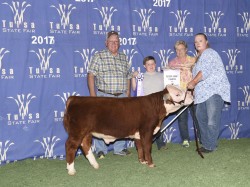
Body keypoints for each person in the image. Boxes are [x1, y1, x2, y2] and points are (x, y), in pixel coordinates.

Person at [87, 31, 131, 159]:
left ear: (120, 43)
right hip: (104, 95)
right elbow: (91, 75)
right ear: (106, 43)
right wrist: (93, 95)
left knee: (123, 123)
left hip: (122, 96)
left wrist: (127, 92)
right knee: (101, 123)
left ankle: (120, 148)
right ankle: (101, 150)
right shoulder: (99, 56)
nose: (114, 44)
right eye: (111, 41)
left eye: (116, 41)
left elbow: (128, 75)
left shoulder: (123, 57)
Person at [187, 33, 231, 153]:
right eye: (195, 42)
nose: (197, 43)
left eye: (200, 41)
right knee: (200, 117)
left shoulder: (209, 53)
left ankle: (210, 146)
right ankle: (207, 144)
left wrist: (193, 82)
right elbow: (200, 73)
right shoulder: (199, 57)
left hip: (214, 91)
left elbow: (204, 72)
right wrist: (194, 91)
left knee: (211, 119)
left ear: (206, 42)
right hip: (203, 93)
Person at [168, 40, 200, 148]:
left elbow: (200, 75)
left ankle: (201, 137)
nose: (179, 51)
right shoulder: (172, 63)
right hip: (180, 96)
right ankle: (185, 139)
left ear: (186, 49)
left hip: (194, 94)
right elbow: (169, 81)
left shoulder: (194, 60)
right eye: (177, 49)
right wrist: (167, 70)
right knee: (182, 118)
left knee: (198, 117)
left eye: (181, 49)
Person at [131, 56, 167, 150]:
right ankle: (143, 143)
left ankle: (161, 144)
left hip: (159, 105)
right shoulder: (141, 76)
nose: (151, 66)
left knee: (159, 124)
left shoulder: (162, 75)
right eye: (148, 64)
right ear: (144, 66)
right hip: (146, 105)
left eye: (152, 64)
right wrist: (133, 77)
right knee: (145, 126)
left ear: (155, 64)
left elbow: (167, 88)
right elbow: (135, 88)